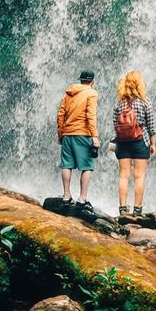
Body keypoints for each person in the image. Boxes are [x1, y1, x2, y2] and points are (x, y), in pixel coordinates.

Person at [112, 70, 156, 217]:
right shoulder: (145, 102)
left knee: (124, 176)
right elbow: (151, 125)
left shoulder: (119, 103)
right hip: (140, 141)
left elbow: (115, 124)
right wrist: (152, 143)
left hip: (123, 142)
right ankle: (137, 210)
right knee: (139, 176)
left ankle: (123, 208)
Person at [56, 69, 100, 215]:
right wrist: (94, 136)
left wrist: (61, 133)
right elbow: (90, 116)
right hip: (83, 134)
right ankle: (82, 198)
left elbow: (61, 113)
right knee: (87, 166)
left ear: (80, 80)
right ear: (92, 81)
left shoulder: (69, 92)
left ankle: (66, 196)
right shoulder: (92, 93)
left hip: (68, 134)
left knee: (67, 164)